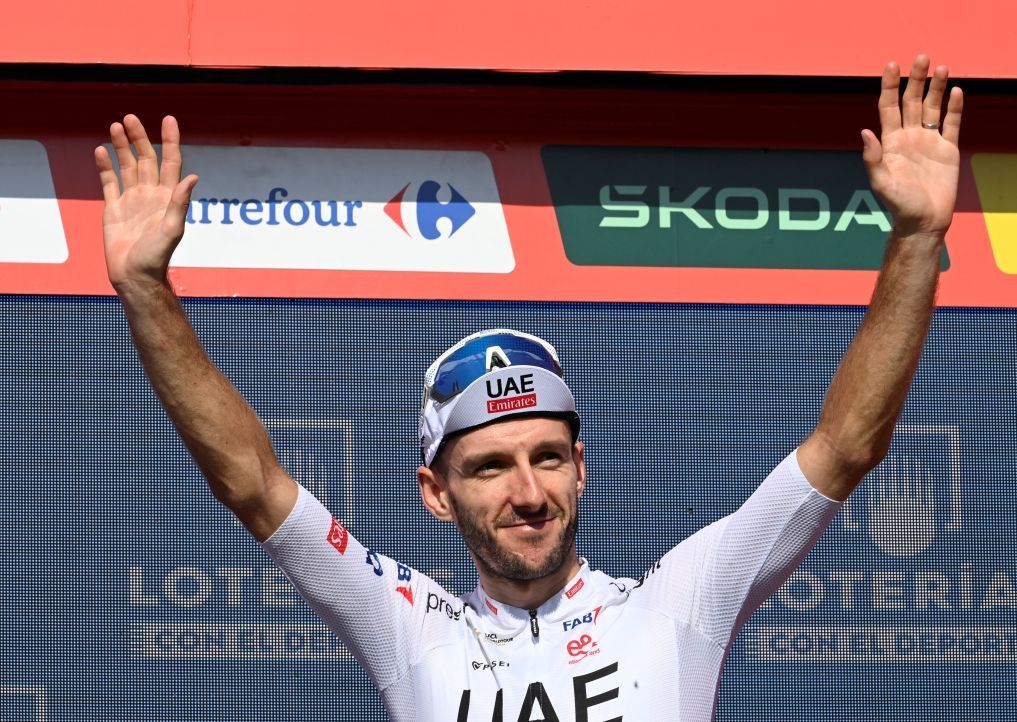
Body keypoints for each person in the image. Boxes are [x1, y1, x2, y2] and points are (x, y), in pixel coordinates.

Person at [95, 55, 962, 721]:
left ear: (582, 466)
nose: (528, 492)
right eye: (489, 467)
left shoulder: (678, 603)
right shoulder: (412, 624)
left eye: (548, 456)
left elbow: (846, 446)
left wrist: (918, 238)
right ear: (435, 492)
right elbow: (255, 485)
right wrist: (146, 291)